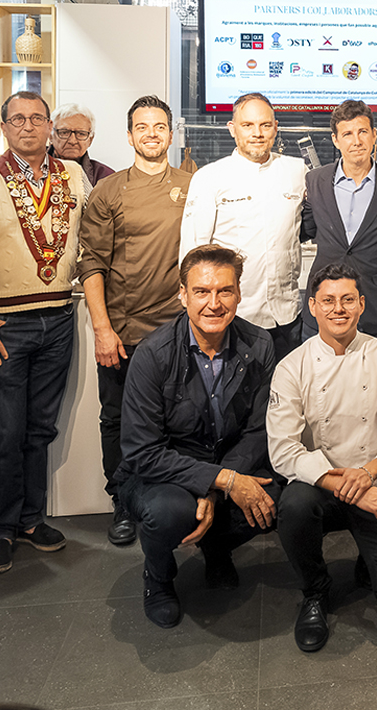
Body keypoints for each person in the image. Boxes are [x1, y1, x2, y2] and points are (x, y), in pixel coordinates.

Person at [0, 90, 90, 575]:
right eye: (19, 119)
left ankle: (31, 520)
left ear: (49, 126)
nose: (29, 126)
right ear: (4, 126)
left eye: (38, 118)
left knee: (40, 428)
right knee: (4, 430)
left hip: (57, 318)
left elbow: (91, 235)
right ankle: (0, 529)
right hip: (3, 323)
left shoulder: (73, 175)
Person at [117, 244, 281, 629]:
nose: (214, 303)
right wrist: (221, 481)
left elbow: (261, 429)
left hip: (229, 462)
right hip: (163, 475)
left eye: (225, 291)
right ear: (183, 295)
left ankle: (217, 547)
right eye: (202, 292)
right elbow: (142, 451)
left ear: (239, 294)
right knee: (168, 512)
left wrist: (221, 482)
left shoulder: (260, 345)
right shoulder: (153, 354)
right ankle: (157, 579)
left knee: (281, 500)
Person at [268, 262, 377, 652]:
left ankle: (368, 560)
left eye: (347, 300)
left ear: (362, 305)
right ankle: (315, 592)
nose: (338, 308)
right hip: (322, 490)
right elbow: (283, 449)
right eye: (328, 300)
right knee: (294, 505)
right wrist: (348, 486)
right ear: (312, 307)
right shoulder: (292, 367)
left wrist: (370, 474)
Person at [78, 94, 192, 546]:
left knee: (179, 420)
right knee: (118, 421)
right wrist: (102, 329)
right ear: (129, 136)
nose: (151, 134)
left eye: (159, 126)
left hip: (177, 329)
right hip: (122, 332)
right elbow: (92, 265)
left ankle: (175, 501)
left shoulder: (191, 185)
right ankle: (123, 503)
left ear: (170, 133)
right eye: (142, 127)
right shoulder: (108, 191)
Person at [180, 93, 307, 358]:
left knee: (287, 396)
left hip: (287, 316)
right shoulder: (209, 177)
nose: (257, 133)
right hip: (233, 316)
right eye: (248, 125)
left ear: (275, 127)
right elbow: (192, 254)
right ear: (232, 129)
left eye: (265, 125)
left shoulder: (297, 172)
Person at [300, 100, 377, 345]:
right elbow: (304, 230)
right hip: (323, 308)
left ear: (374, 136)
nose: (356, 141)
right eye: (347, 134)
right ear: (336, 140)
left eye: (362, 132)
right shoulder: (315, 181)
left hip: (376, 309)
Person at [49, 102, 115, 186]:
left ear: (90, 139)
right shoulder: (33, 169)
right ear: (50, 136)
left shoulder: (106, 176)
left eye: (81, 133)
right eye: (64, 132)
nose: (72, 141)